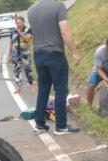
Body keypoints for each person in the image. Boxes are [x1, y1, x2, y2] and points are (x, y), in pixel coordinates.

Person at [27, 0, 81, 135]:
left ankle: (39, 124)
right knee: (60, 90)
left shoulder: (31, 10)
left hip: (38, 54)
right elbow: (65, 31)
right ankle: (61, 126)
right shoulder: (58, 6)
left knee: (43, 89)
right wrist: (74, 52)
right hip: (55, 54)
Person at [7, 17, 35, 94]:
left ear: (23, 22)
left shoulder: (28, 30)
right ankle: (18, 87)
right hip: (15, 54)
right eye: (17, 23)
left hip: (25, 53)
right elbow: (10, 43)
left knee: (28, 69)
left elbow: (28, 39)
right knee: (16, 70)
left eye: (20, 22)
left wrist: (19, 33)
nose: (18, 24)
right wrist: (9, 55)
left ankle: (31, 85)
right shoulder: (13, 32)